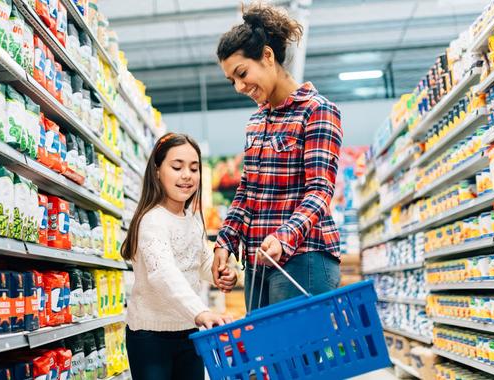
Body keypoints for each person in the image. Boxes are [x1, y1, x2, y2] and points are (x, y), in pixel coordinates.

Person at [212, 3, 343, 310]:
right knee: (265, 357)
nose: (240, 86)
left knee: (299, 358)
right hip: (259, 261)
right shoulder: (256, 122)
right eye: (232, 80)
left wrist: (284, 237)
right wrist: (225, 242)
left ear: (267, 56)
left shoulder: (317, 111)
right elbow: (247, 192)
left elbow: (320, 191)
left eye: (242, 73)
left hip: (303, 258)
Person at [122, 133, 237, 380]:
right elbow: (163, 274)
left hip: (188, 331)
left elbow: (200, 261)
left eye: (194, 169)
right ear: (156, 171)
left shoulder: (192, 219)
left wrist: (220, 272)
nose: (187, 175)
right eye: (177, 167)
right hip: (151, 336)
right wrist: (201, 311)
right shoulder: (152, 220)